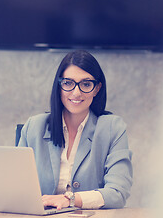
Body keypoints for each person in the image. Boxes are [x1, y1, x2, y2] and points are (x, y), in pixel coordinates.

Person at [18, 50, 132, 210]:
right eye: (68, 83)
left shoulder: (112, 128)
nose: (76, 92)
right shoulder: (34, 126)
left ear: (97, 88)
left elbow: (118, 193)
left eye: (86, 84)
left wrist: (70, 199)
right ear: (59, 86)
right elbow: (16, 188)